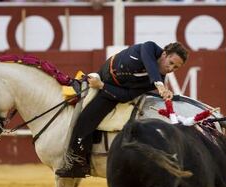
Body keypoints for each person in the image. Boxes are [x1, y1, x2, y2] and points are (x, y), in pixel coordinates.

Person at [55, 41, 189, 178]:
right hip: (103, 73)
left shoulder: (157, 79)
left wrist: (101, 86)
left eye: (176, 67)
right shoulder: (149, 48)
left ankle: (78, 165)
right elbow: (150, 65)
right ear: (164, 54)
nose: (171, 68)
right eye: (171, 63)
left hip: (110, 90)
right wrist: (160, 85)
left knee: (85, 120)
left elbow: (127, 96)